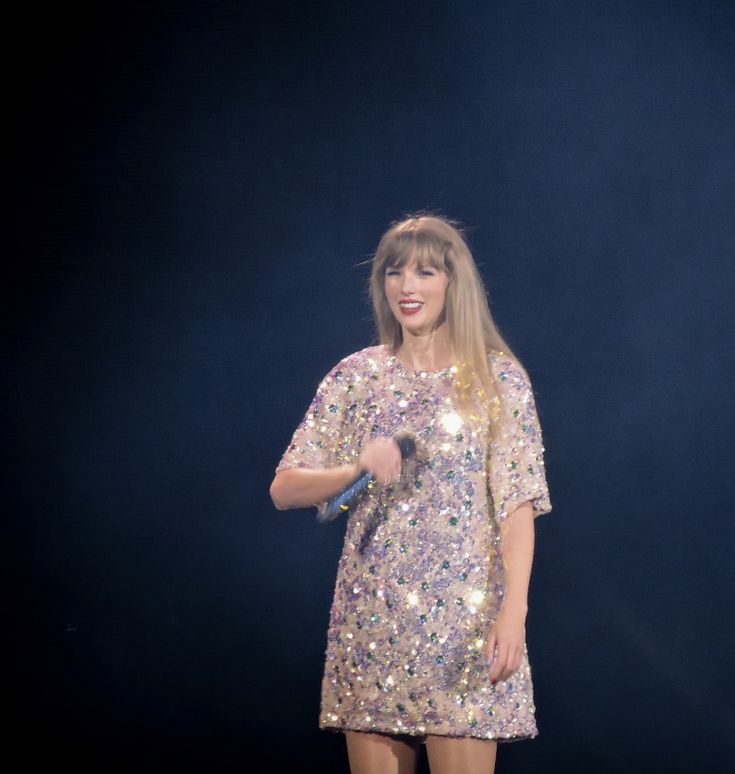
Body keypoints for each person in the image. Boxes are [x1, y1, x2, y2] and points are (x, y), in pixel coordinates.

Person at [269, 214, 552, 774]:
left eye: (424, 272)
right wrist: (355, 467)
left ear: (453, 284)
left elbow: (517, 506)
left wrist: (513, 612)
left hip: (467, 627)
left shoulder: (497, 381)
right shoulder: (356, 377)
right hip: (372, 621)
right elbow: (284, 489)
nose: (407, 286)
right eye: (394, 272)